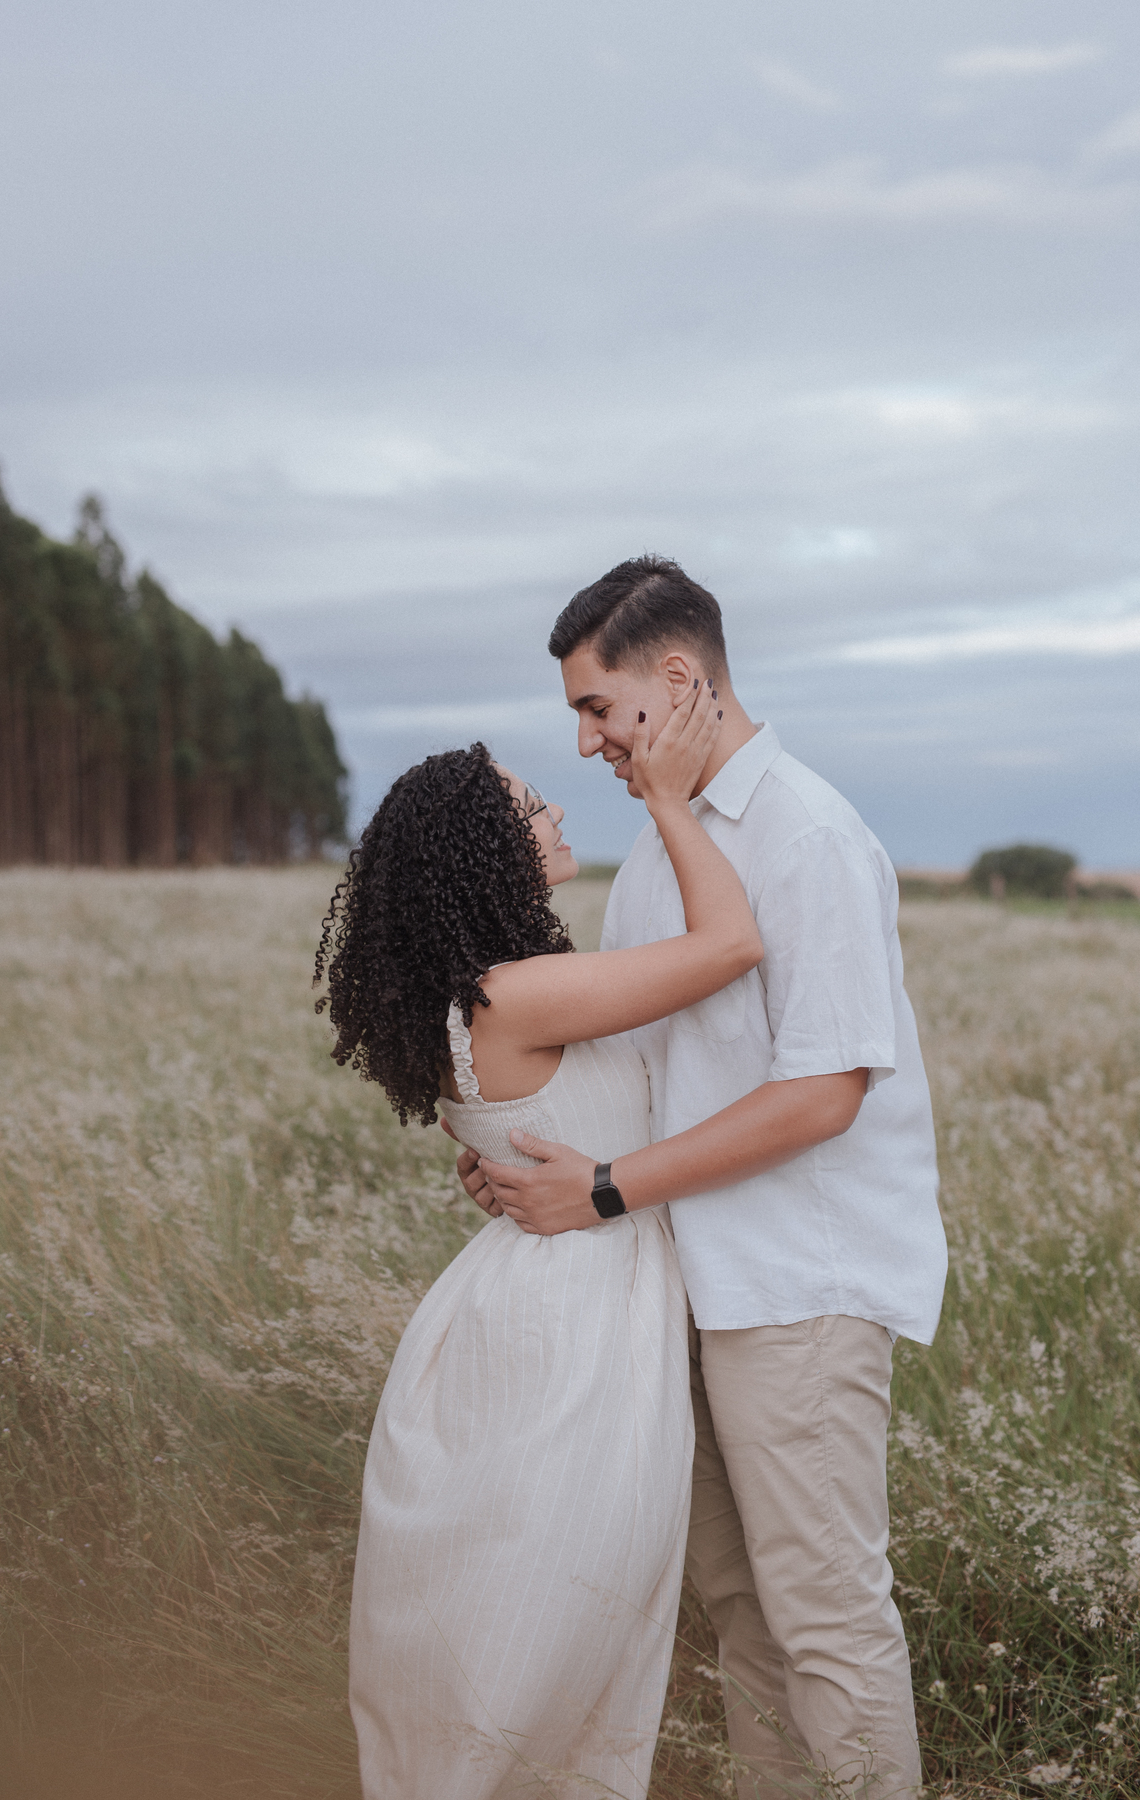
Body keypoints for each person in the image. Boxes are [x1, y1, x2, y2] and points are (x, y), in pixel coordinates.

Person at [459, 556, 949, 1799]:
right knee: (742, 1614)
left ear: (678, 682)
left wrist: (612, 1187)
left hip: (799, 1286)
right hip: (687, 1287)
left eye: (595, 706)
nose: (582, 744)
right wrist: (539, 1164)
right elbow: (643, 1074)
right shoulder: (652, 864)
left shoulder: (812, 837)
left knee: (828, 1621)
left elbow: (824, 1093)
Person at [316, 684, 763, 1800]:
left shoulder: (481, 1000)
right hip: (569, 1327)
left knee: (529, 1609)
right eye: (529, 808)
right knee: (550, 1612)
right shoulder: (514, 995)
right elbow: (732, 944)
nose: (557, 810)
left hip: (535, 1302)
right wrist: (667, 798)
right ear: (483, 855)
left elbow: (531, 1125)